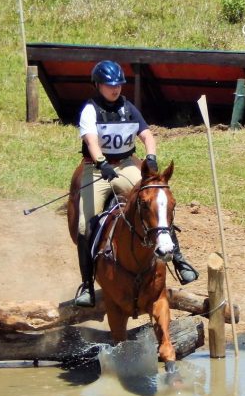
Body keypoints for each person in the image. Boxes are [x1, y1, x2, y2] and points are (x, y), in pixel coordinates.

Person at [74, 60, 198, 307]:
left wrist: (150, 155)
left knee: (154, 203)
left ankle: (179, 260)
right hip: (97, 169)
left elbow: (146, 134)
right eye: (110, 85)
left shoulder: (128, 107)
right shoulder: (90, 109)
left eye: (118, 85)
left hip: (127, 164)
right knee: (83, 226)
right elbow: (91, 140)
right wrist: (101, 162)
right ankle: (87, 285)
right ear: (98, 85)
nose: (115, 89)